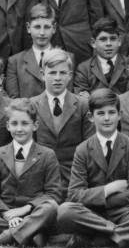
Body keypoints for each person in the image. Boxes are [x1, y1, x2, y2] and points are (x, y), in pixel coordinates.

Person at [57, 88, 129, 248]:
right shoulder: (83, 149)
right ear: (91, 117)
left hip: (125, 211)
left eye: (111, 112)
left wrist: (98, 199)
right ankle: (123, 234)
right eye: (100, 113)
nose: (106, 118)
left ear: (119, 115)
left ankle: (98, 238)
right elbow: (75, 194)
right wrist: (106, 190)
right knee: (64, 210)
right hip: (93, 212)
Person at [0, 97, 65, 247]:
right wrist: (7, 214)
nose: (19, 129)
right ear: (8, 126)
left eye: (25, 123)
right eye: (14, 124)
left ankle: (1, 238)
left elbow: (54, 193)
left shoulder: (47, 154)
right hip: (6, 214)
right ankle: (31, 233)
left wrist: (25, 210)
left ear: (35, 126)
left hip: (33, 213)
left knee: (50, 207)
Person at [28, 48, 91, 184]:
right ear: (42, 75)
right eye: (52, 73)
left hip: (74, 177)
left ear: (70, 75)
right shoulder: (32, 105)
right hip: (41, 177)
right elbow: (30, 147)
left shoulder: (82, 105)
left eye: (62, 73)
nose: (57, 78)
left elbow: (89, 147)